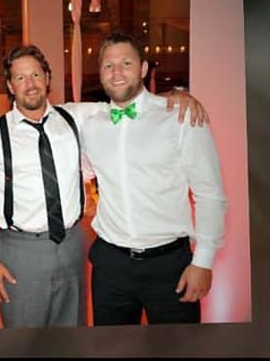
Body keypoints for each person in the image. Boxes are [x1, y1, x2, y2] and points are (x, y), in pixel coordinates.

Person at [0, 44, 208, 329]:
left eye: (36, 75)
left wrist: (173, 97)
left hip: (72, 244)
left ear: (47, 77)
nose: (30, 84)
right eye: (20, 78)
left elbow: (126, 103)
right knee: (24, 339)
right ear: (10, 85)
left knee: (73, 335)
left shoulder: (75, 117)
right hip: (21, 252)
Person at [81, 31, 227, 325]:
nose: (117, 73)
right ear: (100, 72)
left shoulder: (180, 117)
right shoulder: (91, 124)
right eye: (108, 66)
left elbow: (209, 193)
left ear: (143, 68)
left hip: (170, 267)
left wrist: (203, 262)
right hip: (110, 267)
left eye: (126, 63)